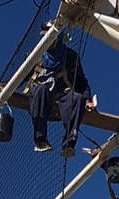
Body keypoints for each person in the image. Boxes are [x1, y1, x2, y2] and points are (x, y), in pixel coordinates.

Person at [28, 25, 95, 157]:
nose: (46, 41)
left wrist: (88, 99)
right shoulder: (37, 54)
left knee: (77, 98)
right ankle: (40, 140)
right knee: (41, 89)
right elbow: (22, 74)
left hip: (61, 93)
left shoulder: (70, 56)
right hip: (41, 94)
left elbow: (81, 81)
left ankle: (69, 144)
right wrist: (7, 86)